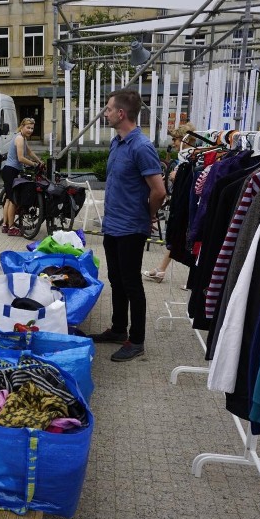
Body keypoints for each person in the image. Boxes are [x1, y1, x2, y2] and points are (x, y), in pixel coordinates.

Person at [88, 89, 165, 362]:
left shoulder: (141, 147)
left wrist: (148, 215)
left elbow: (159, 190)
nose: (105, 113)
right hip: (113, 225)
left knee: (132, 284)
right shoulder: (117, 143)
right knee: (116, 280)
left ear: (121, 114)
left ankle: (137, 339)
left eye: (108, 109)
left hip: (132, 227)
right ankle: (119, 329)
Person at [143, 122, 197, 283]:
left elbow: (191, 182)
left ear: (185, 140)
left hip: (186, 205)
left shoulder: (192, 157)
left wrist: (177, 177)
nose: (173, 143)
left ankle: (189, 276)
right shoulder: (186, 157)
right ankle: (161, 270)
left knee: (180, 237)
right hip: (183, 204)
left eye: (176, 139)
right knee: (176, 237)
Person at [1, 117, 43, 236]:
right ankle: (11, 228)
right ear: (22, 126)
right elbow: (21, 158)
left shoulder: (22, 137)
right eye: (28, 127)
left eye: (32, 128)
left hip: (9, 170)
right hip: (11, 170)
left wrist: (39, 161)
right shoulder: (19, 139)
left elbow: (29, 152)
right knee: (14, 201)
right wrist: (34, 164)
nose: (30, 130)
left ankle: (5, 225)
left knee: (9, 199)